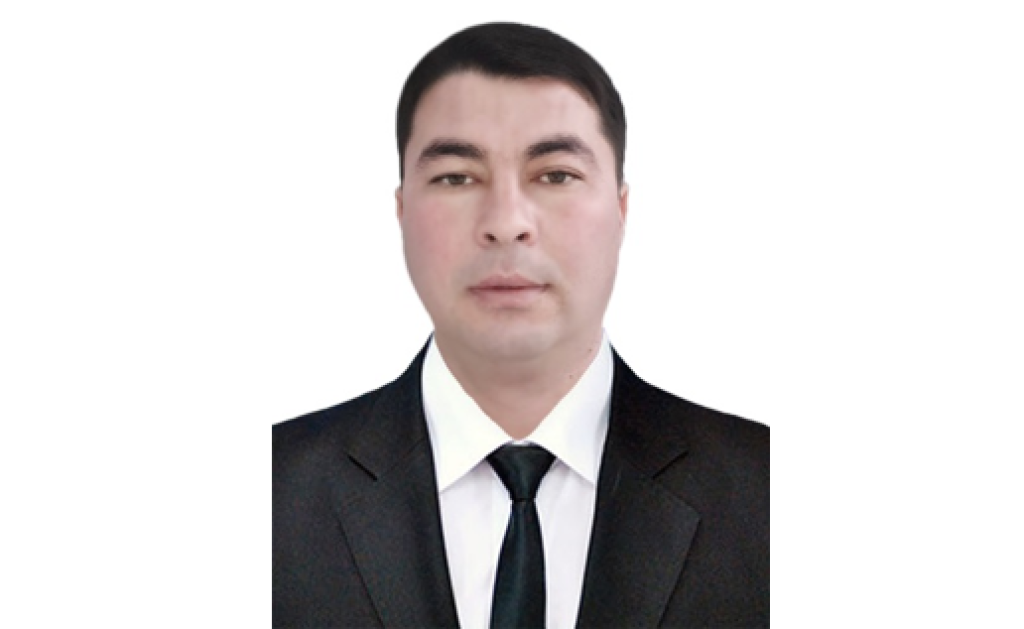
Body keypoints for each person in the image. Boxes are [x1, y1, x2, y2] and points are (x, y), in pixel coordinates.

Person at [273, 22, 768, 628]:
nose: (507, 222)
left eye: (555, 175)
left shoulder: (767, 492)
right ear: (401, 210)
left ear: (621, 208)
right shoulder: (272, 493)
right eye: (456, 176)